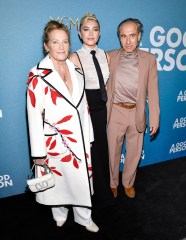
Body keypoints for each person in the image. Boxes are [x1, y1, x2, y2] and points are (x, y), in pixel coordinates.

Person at [26, 19, 99, 232]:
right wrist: (38, 152)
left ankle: (84, 218)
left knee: (81, 181)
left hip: (79, 139)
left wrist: (89, 136)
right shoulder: (37, 74)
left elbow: (84, 107)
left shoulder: (76, 70)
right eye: (55, 42)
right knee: (58, 181)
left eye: (65, 42)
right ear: (46, 46)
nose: (61, 47)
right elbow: (33, 115)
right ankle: (59, 213)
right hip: (54, 141)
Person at [107, 18, 160, 199]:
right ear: (119, 38)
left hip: (136, 112)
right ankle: (112, 183)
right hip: (115, 111)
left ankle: (128, 183)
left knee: (134, 152)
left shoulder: (149, 59)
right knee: (112, 152)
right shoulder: (109, 56)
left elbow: (152, 91)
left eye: (132, 36)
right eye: (123, 36)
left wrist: (154, 118)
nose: (128, 41)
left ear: (139, 37)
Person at [70, 12, 114, 209]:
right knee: (87, 152)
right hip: (84, 109)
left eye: (95, 29)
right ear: (80, 33)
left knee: (101, 150)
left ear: (100, 33)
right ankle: (85, 196)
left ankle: (103, 192)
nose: (90, 33)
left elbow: (107, 84)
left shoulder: (106, 55)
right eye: (86, 29)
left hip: (101, 107)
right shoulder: (74, 57)